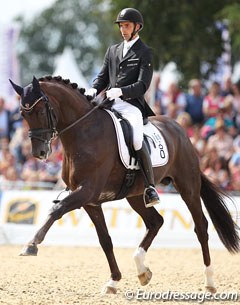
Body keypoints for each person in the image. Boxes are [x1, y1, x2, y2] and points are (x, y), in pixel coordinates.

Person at [85, 8, 160, 207]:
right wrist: (93, 89)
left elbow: (143, 85)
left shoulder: (145, 52)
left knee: (136, 139)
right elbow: (102, 77)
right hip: (109, 102)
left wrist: (120, 91)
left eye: (126, 25)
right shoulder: (112, 50)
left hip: (131, 105)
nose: (123, 29)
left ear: (137, 27)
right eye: (121, 26)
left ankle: (150, 187)